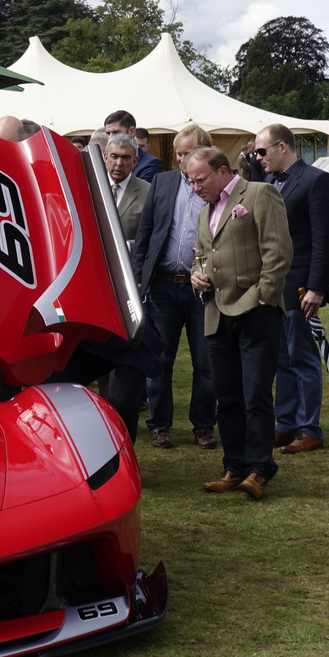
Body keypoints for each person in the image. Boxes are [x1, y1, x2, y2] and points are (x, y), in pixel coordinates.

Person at [187, 147, 292, 501]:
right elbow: (201, 256)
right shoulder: (205, 212)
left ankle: (260, 469)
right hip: (217, 313)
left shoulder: (260, 194)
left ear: (222, 172)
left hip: (256, 313)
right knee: (226, 396)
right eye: (191, 181)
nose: (195, 186)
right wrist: (196, 276)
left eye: (200, 179)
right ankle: (233, 465)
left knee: (256, 395)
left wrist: (259, 298)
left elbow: (278, 254)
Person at [131, 125, 218, 451]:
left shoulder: (218, 188)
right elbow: (146, 232)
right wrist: (140, 275)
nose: (181, 160)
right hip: (164, 287)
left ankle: (204, 425)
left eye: (188, 153)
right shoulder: (164, 182)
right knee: (160, 360)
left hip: (203, 291)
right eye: (178, 154)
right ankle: (159, 425)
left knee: (205, 361)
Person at [253, 123, 329, 454]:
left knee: (302, 356)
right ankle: (286, 424)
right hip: (274, 286)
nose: (257, 157)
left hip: (302, 286)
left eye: (262, 151)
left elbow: (325, 239)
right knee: (281, 358)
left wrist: (317, 287)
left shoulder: (317, 181)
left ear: (282, 147)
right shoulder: (269, 183)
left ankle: (310, 427)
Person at [104, 135, 149, 245]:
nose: (119, 163)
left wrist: (127, 247)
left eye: (125, 158)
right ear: (105, 158)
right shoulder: (90, 188)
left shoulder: (149, 192)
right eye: (114, 156)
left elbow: (152, 237)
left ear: (135, 161)